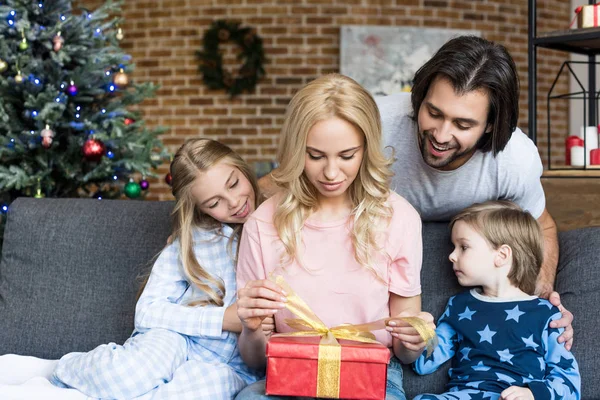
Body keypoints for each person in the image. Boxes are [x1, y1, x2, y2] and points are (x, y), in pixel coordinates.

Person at [259, 36, 573, 349]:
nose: (440, 134)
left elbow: (541, 225)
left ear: (490, 125)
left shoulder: (513, 159)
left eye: (462, 124)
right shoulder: (378, 124)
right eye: (433, 113)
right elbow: (283, 181)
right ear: (419, 98)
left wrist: (540, 296)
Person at [233, 74, 435, 400]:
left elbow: (404, 351)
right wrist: (252, 327)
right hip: (292, 372)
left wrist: (414, 340)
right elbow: (255, 360)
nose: (330, 173)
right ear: (297, 150)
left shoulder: (399, 218)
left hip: (370, 375)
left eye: (346, 155)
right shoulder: (263, 223)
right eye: (315, 156)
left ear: (367, 149)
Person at [49, 139, 269, 399]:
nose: (233, 202)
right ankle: (66, 368)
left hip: (230, 367)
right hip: (175, 339)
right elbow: (147, 312)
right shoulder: (192, 240)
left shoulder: (276, 229)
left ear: (243, 169)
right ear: (198, 208)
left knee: (202, 390)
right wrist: (223, 319)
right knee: (127, 376)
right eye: (213, 203)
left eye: (233, 183)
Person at [413, 201, 580, 400]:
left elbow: (569, 383)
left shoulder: (546, 314)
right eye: (453, 247)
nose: (451, 256)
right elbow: (424, 363)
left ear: (501, 255)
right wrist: (421, 333)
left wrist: (533, 394)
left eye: (463, 247)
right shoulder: (459, 305)